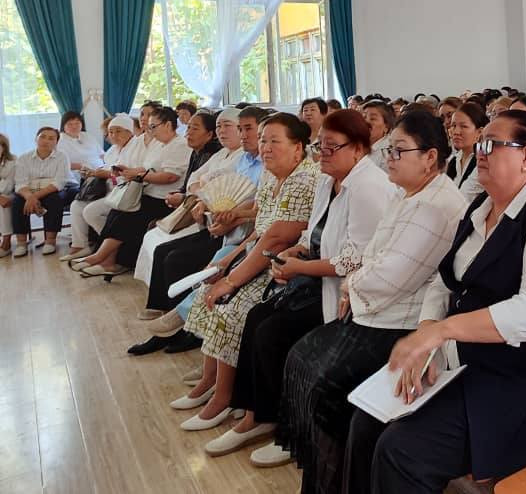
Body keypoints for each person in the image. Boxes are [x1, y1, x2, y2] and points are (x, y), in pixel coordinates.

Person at [364, 109, 526, 491]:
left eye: (492, 144)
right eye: (481, 143)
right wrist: (427, 334)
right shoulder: (482, 207)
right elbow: (444, 282)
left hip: (524, 378)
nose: (479, 152)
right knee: (367, 420)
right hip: (466, 363)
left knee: (402, 451)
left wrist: (442, 332)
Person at [249, 111, 466, 486]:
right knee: (300, 359)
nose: (389, 159)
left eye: (398, 151)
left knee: (323, 384)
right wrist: (353, 279)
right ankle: (323, 475)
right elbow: (373, 254)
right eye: (389, 150)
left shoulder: (434, 206)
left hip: (398, 321)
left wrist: (351, 285)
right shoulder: (408, 193)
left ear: (430, 157)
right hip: (376, 307)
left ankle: (336, 476)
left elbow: (389, 274)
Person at [202, 109, 396, 462]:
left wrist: (300, 266)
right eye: (320, 146)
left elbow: (356, 259)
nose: (322, 154)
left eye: (331, 147)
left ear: (358, 149)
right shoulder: (328, 180)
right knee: (259, 317)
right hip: (316, 276)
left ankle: (287, 428)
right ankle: (258, 413)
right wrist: (295, 251)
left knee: (273, 330)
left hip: (348, 292)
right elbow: (312, 232)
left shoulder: (368, 187)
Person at [175, 113, 318, 432]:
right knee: (208, 288)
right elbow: (260, 229)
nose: (265, 147)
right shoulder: (270, 173)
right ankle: (211, 380)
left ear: (298, 147)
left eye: (274, 141)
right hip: (259, 254)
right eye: (263, 140)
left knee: (231, 306)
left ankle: (224, 397)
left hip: (283, 267)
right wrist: (227, 262)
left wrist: (232, 279)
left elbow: (278, 238)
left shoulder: (305, 179)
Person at [133, 106, 268, 356]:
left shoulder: (264, 163)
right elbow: (206, 185)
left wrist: (230, 217)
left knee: (184, 260)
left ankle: (185, 327)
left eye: (245, 129)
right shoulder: (240, 159)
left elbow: (259, 209)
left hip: (240, 233)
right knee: (165, 250)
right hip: (222, 227)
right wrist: (206, 204)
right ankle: (173, 324)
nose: (242, 134)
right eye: (234, 128)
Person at [71, 107, 191, 276]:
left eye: (153, 126)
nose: (150, 131)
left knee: (126, 216)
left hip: (164, 199)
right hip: (147, 194)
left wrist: (139, 175)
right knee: (116, 211)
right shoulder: (159, 145)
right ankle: (107, 260)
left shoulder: (179, 145)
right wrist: (128, 171)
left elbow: (170, 176)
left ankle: (100, 256)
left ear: (168, 125)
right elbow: (146, 168)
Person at [133, 109, 234, 292]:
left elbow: (213, 189)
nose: (188, 133)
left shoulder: (217, 153)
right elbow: (194, 180)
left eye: (195, 128)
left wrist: (190, 195)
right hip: (192, 206)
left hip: (208, 218)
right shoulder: (212, 154)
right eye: (188, 128)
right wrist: (187, 193)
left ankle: (168, 301)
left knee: (168, 251)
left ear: (208, 135)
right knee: (151, 233)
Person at [63, 113, 138, 261]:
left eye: (118, 131)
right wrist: (93, 172)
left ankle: (111, 250)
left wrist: (105, 174)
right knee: (77, 205)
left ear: (129, 131)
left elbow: (127, 174)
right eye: (111, 132)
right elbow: (107, 166)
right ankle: (80, 245)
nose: (113, 135)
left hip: (124, 193)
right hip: (107, 190)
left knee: (91, 211)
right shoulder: (113, 149)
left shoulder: (135, 148)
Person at [10, 127, 71, 257]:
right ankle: (21, 243)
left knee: (54, 199)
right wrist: (29, 197)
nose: (46, 141)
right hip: (29, 190)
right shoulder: (24, 158)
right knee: (17, 201)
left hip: (51, 190)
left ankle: (50, 241)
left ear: (56, 142)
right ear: (36, 139)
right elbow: (20, 183)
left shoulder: (62, 157)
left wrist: (34, 197)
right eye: (42, 137)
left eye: (51, 138)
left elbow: (59, 183)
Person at [56, 110, 103, 200]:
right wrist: (82, 166)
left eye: (77, 123)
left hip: (99, 170)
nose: (74, 126)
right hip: (79, 174)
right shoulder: (60, 141)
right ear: (63, 126)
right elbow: (60, 163)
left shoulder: (87, 136)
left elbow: (102, 154)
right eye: (70, 124)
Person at [447, 102, 487, 203]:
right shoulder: (454, 160)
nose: (456, 132)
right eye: (453, 125)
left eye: (463, 126)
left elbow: (462, 200)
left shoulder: (483, 161)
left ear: (479, 132)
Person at [362, 101, 395, 173]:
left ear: (386, 126)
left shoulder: (389, 153)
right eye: (364, 117)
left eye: (372, 118)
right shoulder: (357, 146)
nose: (365, 121)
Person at [0, 134, 16, 258]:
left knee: (4, 203)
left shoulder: (13, 161)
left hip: (12, 194)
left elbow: (8, 186)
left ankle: (6, 243)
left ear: (4, 147)